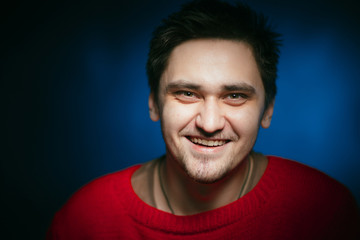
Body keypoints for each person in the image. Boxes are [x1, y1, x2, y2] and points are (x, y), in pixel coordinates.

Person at [47, 0, 359, 239]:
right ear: (154, 104)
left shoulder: (326, 210)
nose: (209, 124)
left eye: (235, 96)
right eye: (186, 93)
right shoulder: (84, 219)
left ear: (267, 111)